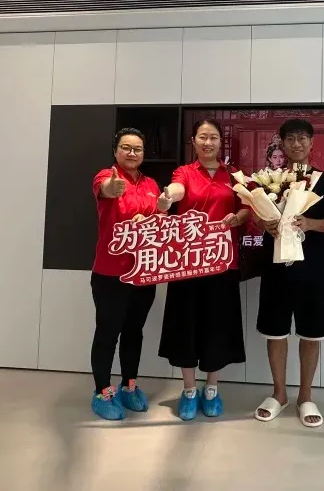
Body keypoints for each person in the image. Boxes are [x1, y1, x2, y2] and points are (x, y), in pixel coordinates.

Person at [157, 119, 249, 421]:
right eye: (202, 137)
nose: (208, 143)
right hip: (188, 262)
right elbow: (177, 189)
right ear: (193, 141)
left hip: (222, 261)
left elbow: (247, 207)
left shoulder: (232, 175)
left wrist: (238, 217)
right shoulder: (185, 172)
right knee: (185, 325)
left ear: (221, 142)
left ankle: (211, 388)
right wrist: (169, 196)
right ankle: (188, 390)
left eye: (213, 138)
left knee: (217, 326)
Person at [253, 119, 324, 428]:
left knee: (311, 333)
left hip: (311, 268)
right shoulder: (269, 179)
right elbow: (256, 215)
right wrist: (265, 223)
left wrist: (311, 223)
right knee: (275, 332)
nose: (296, 144)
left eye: (302, 138)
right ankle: (279, 394)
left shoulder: (323, 181)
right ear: (283, 144)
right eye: (290, 139)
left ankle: (305, 396)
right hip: (275, 268)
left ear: (311, 143)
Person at [90, 127, 167, 421]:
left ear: (144, 153)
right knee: (108, 333)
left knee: (134, 331)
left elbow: (159, 222)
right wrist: (112, 187)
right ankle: (102, 391)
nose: (132, 153)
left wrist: (159, 213)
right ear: (115, 151)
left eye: (137, 149)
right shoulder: (105, 176)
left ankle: (129, 385)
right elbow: (106, 190)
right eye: (126, 147)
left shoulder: (150, 183)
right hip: (111, 272)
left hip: (143, 272)